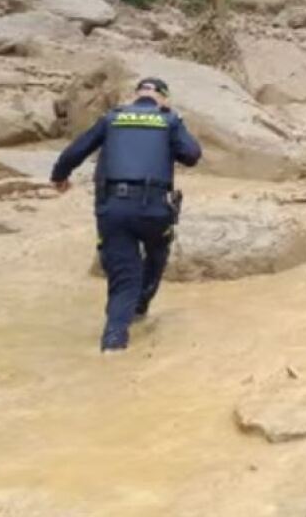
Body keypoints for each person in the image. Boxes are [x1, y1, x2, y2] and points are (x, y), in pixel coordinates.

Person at [50, 78, 202, 352]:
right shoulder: (168, 119)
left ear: (136, 96)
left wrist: (59, 177)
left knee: (124, 277)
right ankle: (141, 307)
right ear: (164, 98)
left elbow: (75, 151)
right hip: (154, 208)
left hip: (113, 208)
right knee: (158, 250)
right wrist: (175, 124)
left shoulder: (111, 118)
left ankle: (113, 342)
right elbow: (191, 155)